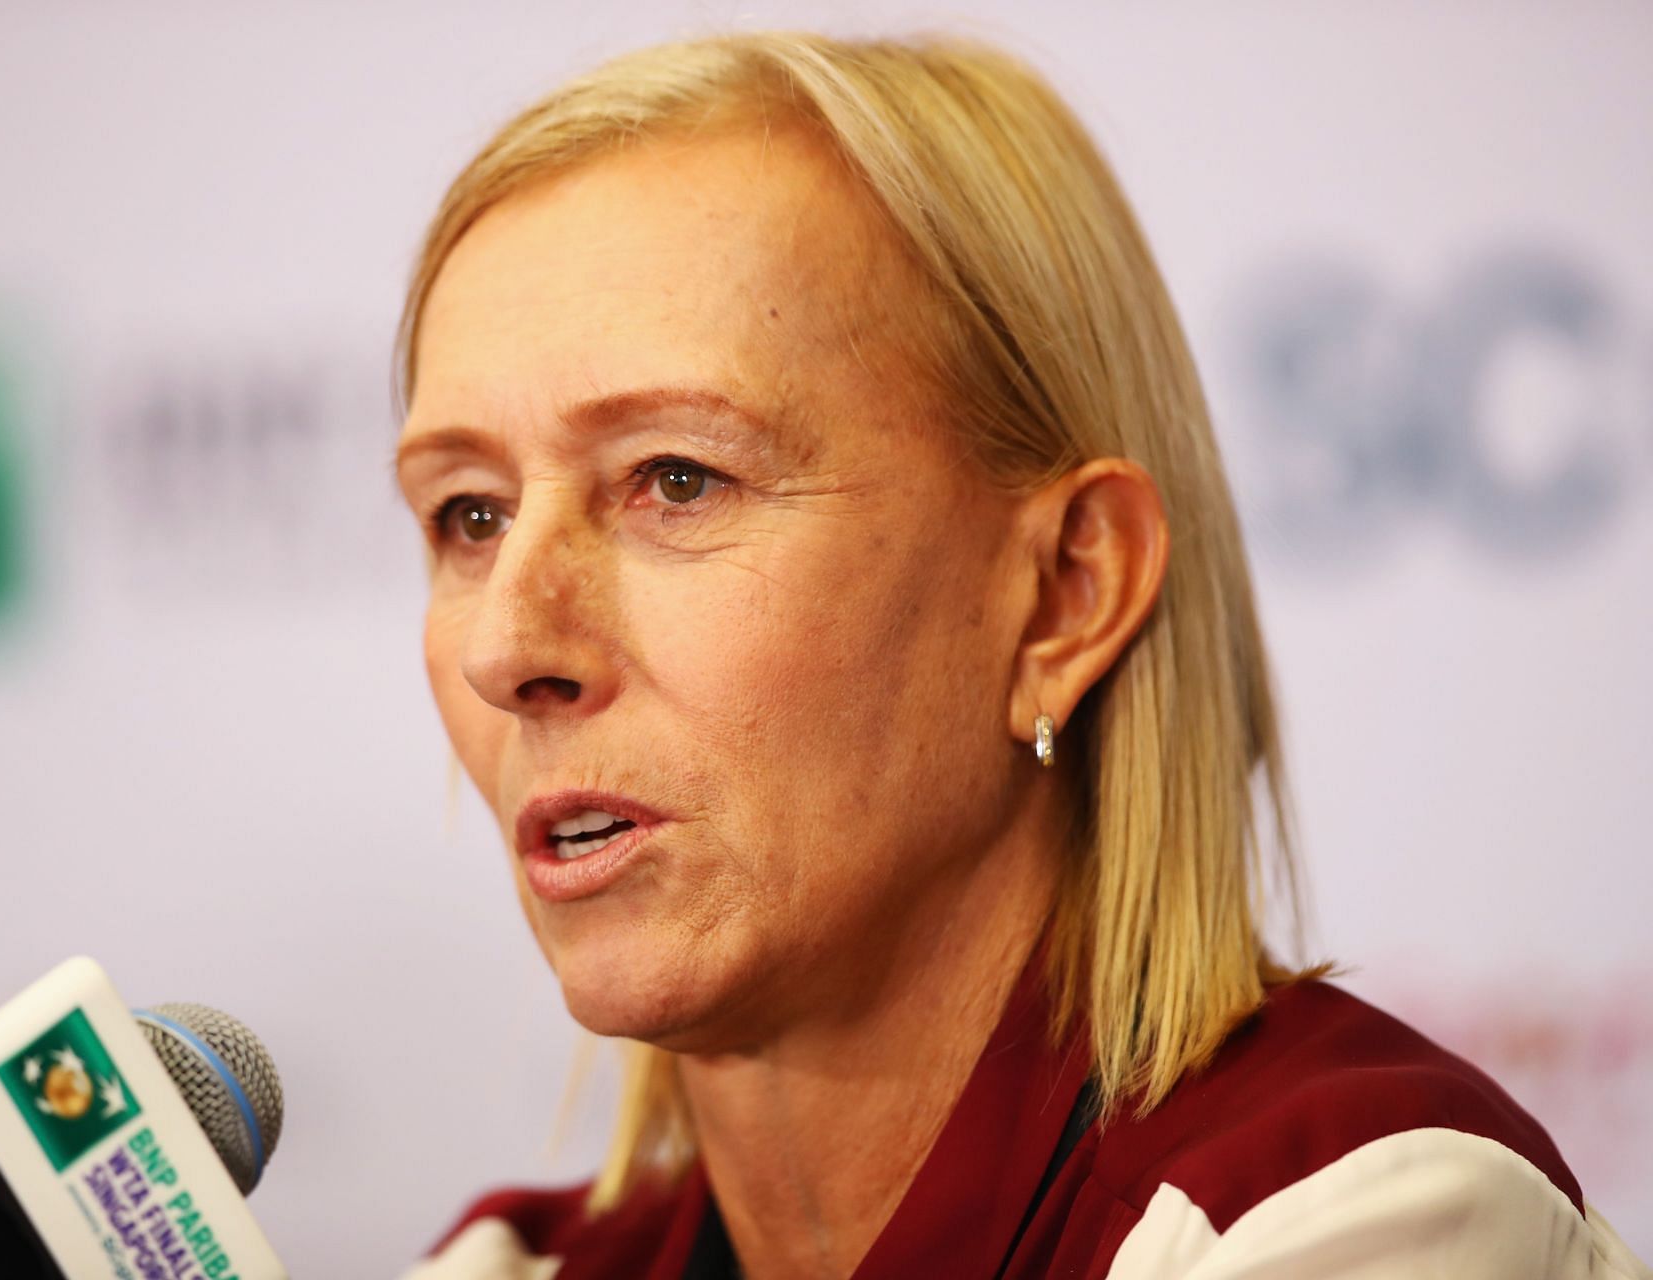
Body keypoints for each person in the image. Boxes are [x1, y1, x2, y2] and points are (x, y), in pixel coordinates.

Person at [389, 31, 1648, 1280]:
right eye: (471, 513)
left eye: (677, 478)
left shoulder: (1357, 1216)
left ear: (1063, 593)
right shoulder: (513, 1266)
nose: (509, 644)